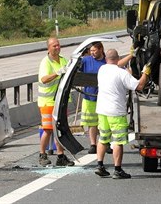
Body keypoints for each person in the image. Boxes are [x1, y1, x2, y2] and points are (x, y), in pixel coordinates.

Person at [94, 49, 150, 179]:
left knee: (103, 139)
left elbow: (115, 65)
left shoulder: (102, 69)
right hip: (116, 112)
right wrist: (145, 72)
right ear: (118, 58)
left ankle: (100, 166)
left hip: (102, 110)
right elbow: (139, 86)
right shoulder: (122, 73)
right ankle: (117, 170)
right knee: (118, 142)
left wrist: (130, 57)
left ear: (106, 58)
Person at [80, 42, 133, 154]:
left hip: (104, 98)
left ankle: (106, 143)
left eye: (95, 50)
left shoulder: (106, 62)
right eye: (91, 51)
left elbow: (118, 64)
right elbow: (76, 66)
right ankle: (93, 144)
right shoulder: (86, 60)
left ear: (101, 50)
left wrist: (131, 55)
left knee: (103, 124)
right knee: (92, 123)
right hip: (89, 97)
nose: (92, 53)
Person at [37, 37, 74, 167]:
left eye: (58, 45)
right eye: (54, 46)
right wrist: (57, 73)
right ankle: (42, 155)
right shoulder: (46, 62)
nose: (57, 48)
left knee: (59, 129)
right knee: (48, 129)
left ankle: (60, 155)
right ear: (48, 48)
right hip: (47, 101)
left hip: (60, 101)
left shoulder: (63, 60)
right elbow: (44, 79)